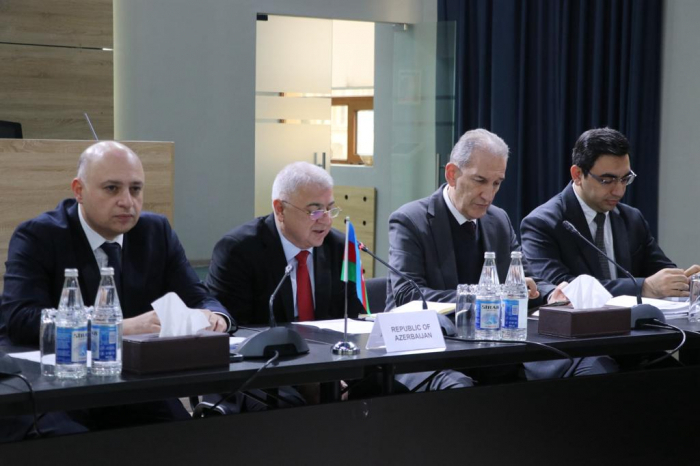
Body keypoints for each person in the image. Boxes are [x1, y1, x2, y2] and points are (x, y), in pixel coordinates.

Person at [0, 141, 232, 429]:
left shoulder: (155, 231)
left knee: (185, 439)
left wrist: (215, 317)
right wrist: (117, 328)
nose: (127, 201)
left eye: (135, 189)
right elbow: (21, 319)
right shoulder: (38, 235)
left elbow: (197, 295)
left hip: (130, 381)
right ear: (79, 191)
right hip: (56, 384)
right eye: (112, 189)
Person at [207, 162, 471, 407]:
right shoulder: (239, 251)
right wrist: (306, 376)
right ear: (279, 208)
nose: (325, 219)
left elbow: (351, 321)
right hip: (266, 372)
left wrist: (331, 372)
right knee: (296, 408)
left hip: (330, 366)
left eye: (330, 208)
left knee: (396, 393)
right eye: (314, 210)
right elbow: (234, 332)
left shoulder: (340, 248)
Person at [387, 128, 615, 380]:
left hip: (494, 347)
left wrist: (551, 293)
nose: (489, 194)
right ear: (452, 174)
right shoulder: (411, 220)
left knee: (594, 366)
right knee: (460, 387)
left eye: (497, 183)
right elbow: (407, 295)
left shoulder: (498, 219)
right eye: (480, 181)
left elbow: (525, 278)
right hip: (433, 349)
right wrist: (489, 297)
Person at [521, 127, 700, 298]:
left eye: (625, 179)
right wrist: (642, 287)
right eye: (607, 180)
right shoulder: (542, 223)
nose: (619, 191)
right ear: (577, 175)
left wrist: (687, 282)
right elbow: (562, 289)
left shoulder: (632, 219)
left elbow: (659, 272)